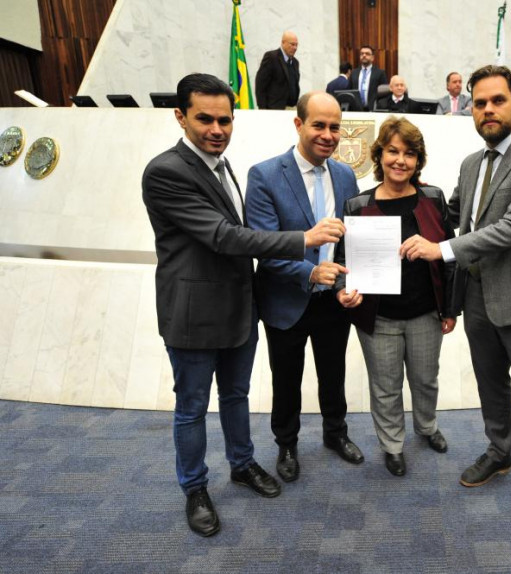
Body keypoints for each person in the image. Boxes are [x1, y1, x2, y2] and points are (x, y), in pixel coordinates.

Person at [141, 73, 345, 537]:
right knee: (191, 406)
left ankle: (242, 464)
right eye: (205, 119)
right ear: (180, 117)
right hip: (193, 313)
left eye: (225, 120)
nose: (217, 129)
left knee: (236, 396)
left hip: (239, 306)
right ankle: (194, 488)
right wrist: (304, 241)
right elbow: (222, 236)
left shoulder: (222, 164)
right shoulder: (166, 171)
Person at [399, 65, 511, 526]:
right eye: (480, 103)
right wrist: (393, 199)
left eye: (497, 100)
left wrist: (441, 248)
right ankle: (499, 451)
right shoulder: (472, 164)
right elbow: (452, 214)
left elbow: (510, 229)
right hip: (477, 297)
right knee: (490, 385)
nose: (487, 110)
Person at [245, 92, 364, 485]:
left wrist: (347, 281)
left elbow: (350, 242)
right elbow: (265, 246)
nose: (328, 135)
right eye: (319, 125)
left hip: (334, 300)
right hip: (286, 298)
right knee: (287, 378)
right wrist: (309, 273)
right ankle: (287, 444)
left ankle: (335, 433)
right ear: (298, 125)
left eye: (334, 127)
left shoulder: (346, 175)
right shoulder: (264, 175)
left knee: (334, 373)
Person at [335, 117, 457, 477]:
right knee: (385, 386)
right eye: (392, 151)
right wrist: (343, 290)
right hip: (379, 316)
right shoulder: (357, 205)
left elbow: (449, 253)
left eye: (409, 153)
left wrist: (450, 308)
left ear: (418, 160)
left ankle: (427, 427)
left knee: (425, 379)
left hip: (426, 313)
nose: (400, 160)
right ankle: (392, 445)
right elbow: (342, 260)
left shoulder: (433, 198)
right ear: (380, 155)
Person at [255, 31, 301, 110]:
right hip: (274, 110)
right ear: (283, 42)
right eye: (292, 44)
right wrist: (263, 110)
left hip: (292, 109)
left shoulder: (295, 62)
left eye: (296, 45)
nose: (295, 48)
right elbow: (260, 85)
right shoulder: (271, 57)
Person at [350, 44, 388, 111]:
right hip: (356, 110)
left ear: (372, 57)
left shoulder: (380, 73)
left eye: (367, 54)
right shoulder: (354, 73)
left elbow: (385, 93)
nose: (364, 55)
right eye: (362, 54)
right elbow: (350, 91)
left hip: (374, 109)